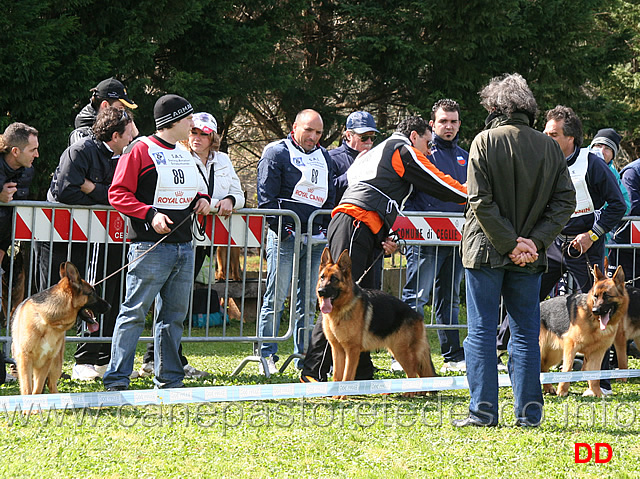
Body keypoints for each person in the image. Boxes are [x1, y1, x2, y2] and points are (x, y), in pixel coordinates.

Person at [301, 115, 468, 383]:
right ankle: (313, 373)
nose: (429, 150)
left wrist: (381, 232)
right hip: (355, 222)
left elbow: (369, 188)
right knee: (334, 298)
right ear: (414, 136)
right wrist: (467, 194)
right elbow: (436, 181)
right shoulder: (402, 149)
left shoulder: (373, 154)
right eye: (427, 143)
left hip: (360, 224)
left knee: (360, 302)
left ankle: (362, 374)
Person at [453, 74, 576, 428]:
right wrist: (532, 243)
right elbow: (565, 200)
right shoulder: (550, 146)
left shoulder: (484, 141)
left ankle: (483, 413)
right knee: (523, 332)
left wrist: (513, 244)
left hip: (485, 251)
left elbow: (479, 199)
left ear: (494, 107)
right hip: (528, 256)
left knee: (481, 331)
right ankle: (529, 415)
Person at [103, 94, 210, 391]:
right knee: (134, 313)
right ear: (173, 120)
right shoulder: (140, 149)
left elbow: (194, 189)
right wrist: (149, 215)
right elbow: (118, 193)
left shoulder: (183, 151)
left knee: (173, 317)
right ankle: (117, 379)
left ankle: (170, 379)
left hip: (184, 246)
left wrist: (201, 199)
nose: (192, 124)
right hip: (150, 247)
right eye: (188, 119)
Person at [134, 111, 245, 379]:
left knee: (175, 302)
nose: (197, 137)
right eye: (193, 131)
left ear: (213, 137)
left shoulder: (224, 161)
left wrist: (228, 199)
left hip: (205, 238)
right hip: (178, 234)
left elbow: (239, 194)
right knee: (163, 299)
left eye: (203, 133)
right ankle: (161, 359)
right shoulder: (178, 154)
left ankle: (160, 358)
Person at [42, 106, 135, 380]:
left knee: (101, 293)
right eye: (129, 132)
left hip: (102, 238)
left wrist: (93, 189)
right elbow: (65, 192)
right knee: (54, 297)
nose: (133, 136)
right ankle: (48, 359)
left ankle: (97, 356)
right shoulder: (80, 151)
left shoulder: (124, 154)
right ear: (116, 135)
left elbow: (123, 194)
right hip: (59, 236)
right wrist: (106, 198)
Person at [256, 108, 335, 375]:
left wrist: (323, 229)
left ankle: (305, 353)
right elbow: (266, 199)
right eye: (308, 130)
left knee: (310, 300)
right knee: (276, 296)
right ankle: (266, 353)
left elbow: (330, 198)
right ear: (294, 126)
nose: (313, 136)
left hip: (315, 240)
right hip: (284, 237)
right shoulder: (276, 152)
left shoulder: (325, 156)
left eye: (318, 132)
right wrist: (285, 229)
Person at [400, 99, 468, 374]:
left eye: (453, 121)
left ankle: (452, 354)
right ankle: (402, 350)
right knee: (417, 296)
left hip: (457, 239)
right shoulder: (422, 153)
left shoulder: (467, 155)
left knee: (450, 298)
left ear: (459, 124)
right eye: (443, 121)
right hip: (424, 237)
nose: (448, 126)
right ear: (432, 124)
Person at [0, 123, 38, 275]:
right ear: (15, 151)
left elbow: (10, 218)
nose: (37, 155)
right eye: (33, 150)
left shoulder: (28, 172)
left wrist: (2, 249)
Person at [69, 77, 138, 146]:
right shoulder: (82, 136)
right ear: (105, 106)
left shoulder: (113, 127)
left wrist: (134, 135)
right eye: (120, 109)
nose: (123, 114)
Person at [332, 111, 380, 201]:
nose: (369, 141)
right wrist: (352, 174)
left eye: (373, 137)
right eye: (364, 137)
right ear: (349, 135)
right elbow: (329, 192)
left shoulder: (376, 159)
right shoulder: (332, 158)